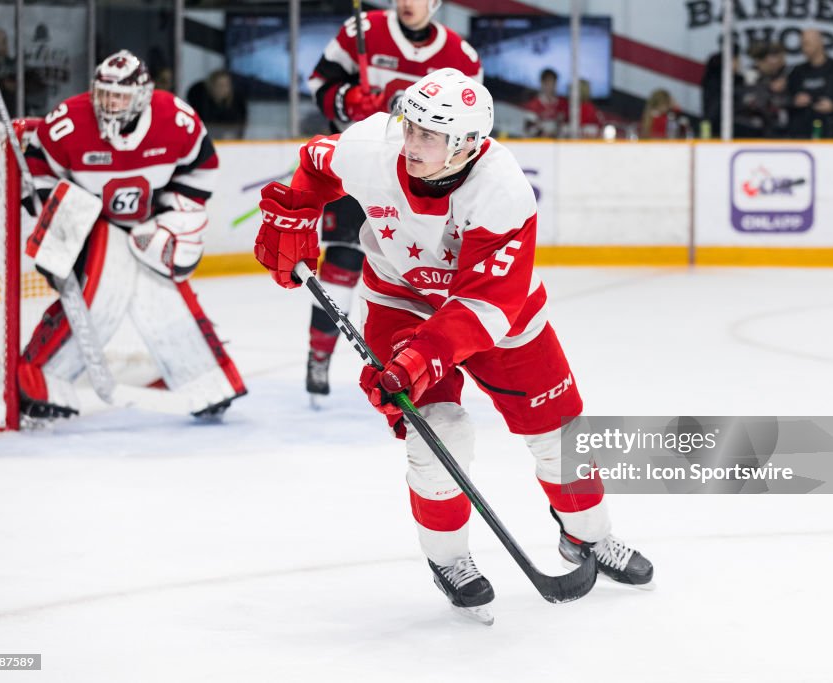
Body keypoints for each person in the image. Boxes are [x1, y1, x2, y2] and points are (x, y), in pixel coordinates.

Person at [253, 68, 653, 621]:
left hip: (494, 311)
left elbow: (483, 306)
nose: (411, 142)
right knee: (441, 430)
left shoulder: (503, 191)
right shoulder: (374, 146)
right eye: (410, 126)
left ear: (467, 144)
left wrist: (420, 358)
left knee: (560, 432)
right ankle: (450, 560)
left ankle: (588, 535)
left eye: (429, 135)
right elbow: (315, 162)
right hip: (398, 299)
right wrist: (295, 211)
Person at [19, 49, 247, 421]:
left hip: (148, 222)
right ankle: (41, 383)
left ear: (141, 96)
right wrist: (60, 227)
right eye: (104, 94)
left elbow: (202, 170)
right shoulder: (68, 121)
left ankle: (208, 384)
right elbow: (37, 170)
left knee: (166, 301)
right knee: (95, 303)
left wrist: (172, 218)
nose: (109, 104)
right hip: (91, 224)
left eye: (119, 96)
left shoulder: (176, 118)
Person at [301, 0, 482, 405]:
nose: (407, 3)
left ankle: (426, 366)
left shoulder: (460, 57)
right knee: (343, 264)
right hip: (365, 166)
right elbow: (321, 83)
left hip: (421, 179)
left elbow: (474, 127)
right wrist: (347, 102)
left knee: (424, 275)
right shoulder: (361, 29)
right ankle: (318, 353)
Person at [786, 29, 833, 139]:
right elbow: (784, 98)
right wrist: (794, 101)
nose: (804, 48)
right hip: (802, 133)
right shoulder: (797, 71)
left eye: (807, 43)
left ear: (819, 43)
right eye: (802, 44)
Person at [186, 69, 247, 140]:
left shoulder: (237, 104)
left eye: (226, 85)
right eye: (220, 85)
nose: (224, 89)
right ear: (212, 86)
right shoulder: (200, 101)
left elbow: (238, 128)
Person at [523, 67, 566, 138]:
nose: (551, 86)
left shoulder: (562, 104)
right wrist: (543, 129)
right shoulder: (533, 105)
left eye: (553, 83)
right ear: (542, 83)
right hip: (539, 145)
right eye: (548, 83)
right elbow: (529, 129)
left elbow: (566, 127)